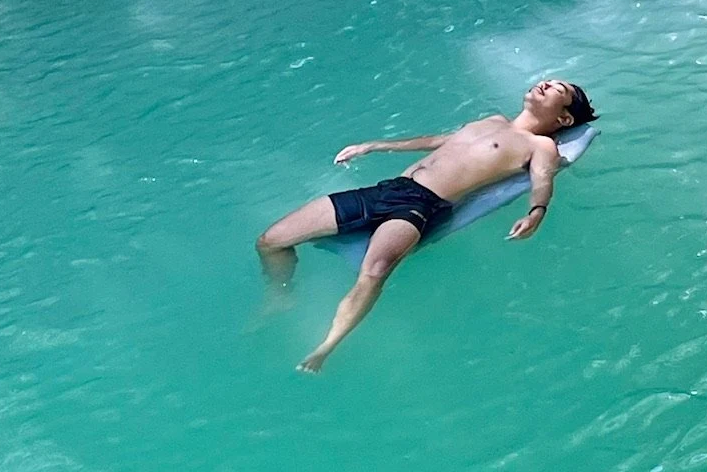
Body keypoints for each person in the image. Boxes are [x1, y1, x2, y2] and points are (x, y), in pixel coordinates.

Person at [256, 77, 597, 374]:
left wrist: (536, 211)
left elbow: (542, 179)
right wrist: (373, 146)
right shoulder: (491, 120)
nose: (546, 83)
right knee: (271, 240)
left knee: (374, 270)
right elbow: (437, 141)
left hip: (422, 204)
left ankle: (326, 346)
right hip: (387, 190)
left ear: (564, 117)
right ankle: (280, 294)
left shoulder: (540, 145)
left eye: (559, 88)